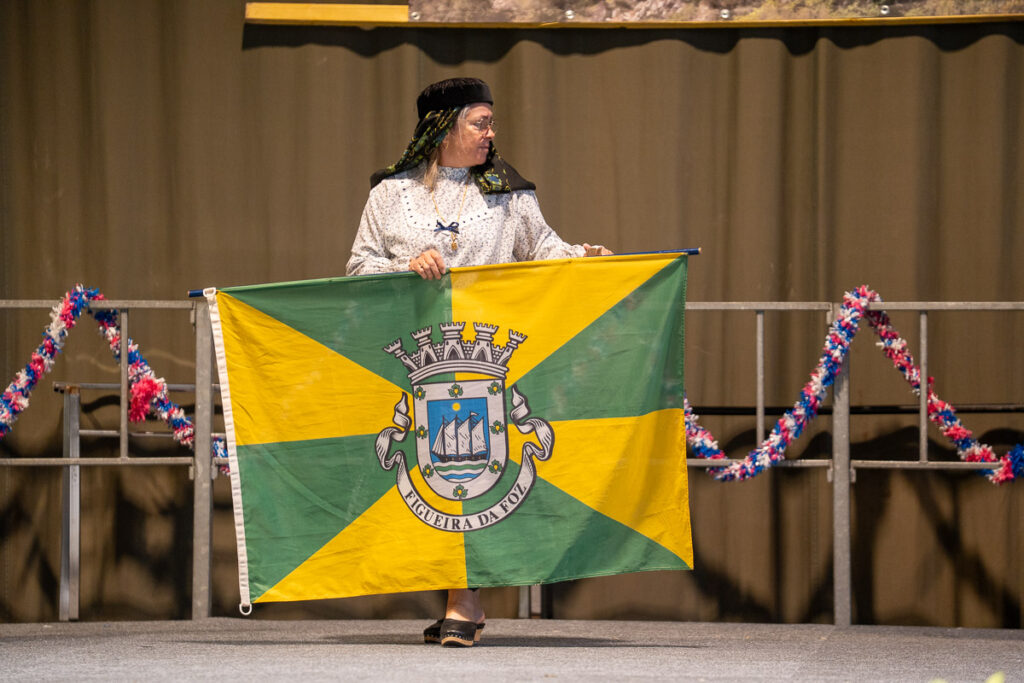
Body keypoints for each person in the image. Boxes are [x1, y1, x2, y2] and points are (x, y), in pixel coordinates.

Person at [346, 77, 611, 646]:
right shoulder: (390, 194)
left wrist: (583, 257)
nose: (492, 133)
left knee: (471, 474)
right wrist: (405, 266)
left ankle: (463, 600)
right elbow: (359, 266)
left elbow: (543, 250)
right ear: (443, 127)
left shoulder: (507, 192)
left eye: (491, 123)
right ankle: (462, 596)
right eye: (480, 122)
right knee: (434, 473)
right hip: (417, 357)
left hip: (488, 356)